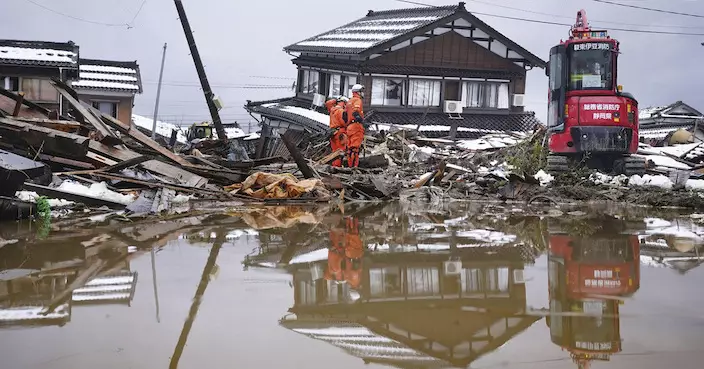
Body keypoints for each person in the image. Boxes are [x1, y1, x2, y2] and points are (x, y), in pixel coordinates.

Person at [345, 84, 366, 168]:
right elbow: (356, 112)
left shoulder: (349, 101)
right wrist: (360, 120)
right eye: (362, 91)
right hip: (356, 126)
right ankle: (354, 167)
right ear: (358, 92)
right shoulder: (358, 100)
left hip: (349, 127)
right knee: (355, 149)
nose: (363, 93)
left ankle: (350, 165)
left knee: (350, 148)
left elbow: (345, 115)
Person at [328, 96, 348, 167]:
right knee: (340, 151)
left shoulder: (332, 110)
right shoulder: (341, 111)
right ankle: (337, 167)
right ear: (344, 103)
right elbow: (343, 123)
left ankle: (333, 166)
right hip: (340, 132)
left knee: (334, 151)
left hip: (333, 132)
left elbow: (328, 103)